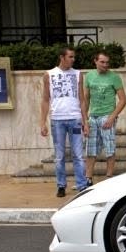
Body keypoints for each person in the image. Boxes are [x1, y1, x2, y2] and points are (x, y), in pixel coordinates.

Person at [40, 46, 89, 197]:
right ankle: (61, 185)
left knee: (78, 155)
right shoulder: (49, 74)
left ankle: (82, 185)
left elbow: (82, 99)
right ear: (62, 57)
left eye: (74, 57)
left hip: (75, 119)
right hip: (57, 120)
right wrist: (42, 122)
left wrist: (85, 121)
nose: (73, 59)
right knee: (59, 156)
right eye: (71, 57)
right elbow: (45, 99)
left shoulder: (78, 74)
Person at [84, 51, 126, 186]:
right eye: (102, 62)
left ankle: (109, 177)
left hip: (107, 116)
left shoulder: (114, 77)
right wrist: (84, 119)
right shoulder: (89, 76)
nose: (105, 65)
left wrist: (112, 117)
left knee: (109, 148)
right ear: (95, 61)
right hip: (93, 116)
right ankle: (88, 179)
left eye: (107, 62)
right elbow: (86, 98)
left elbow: (123, 100)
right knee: (90, 149)